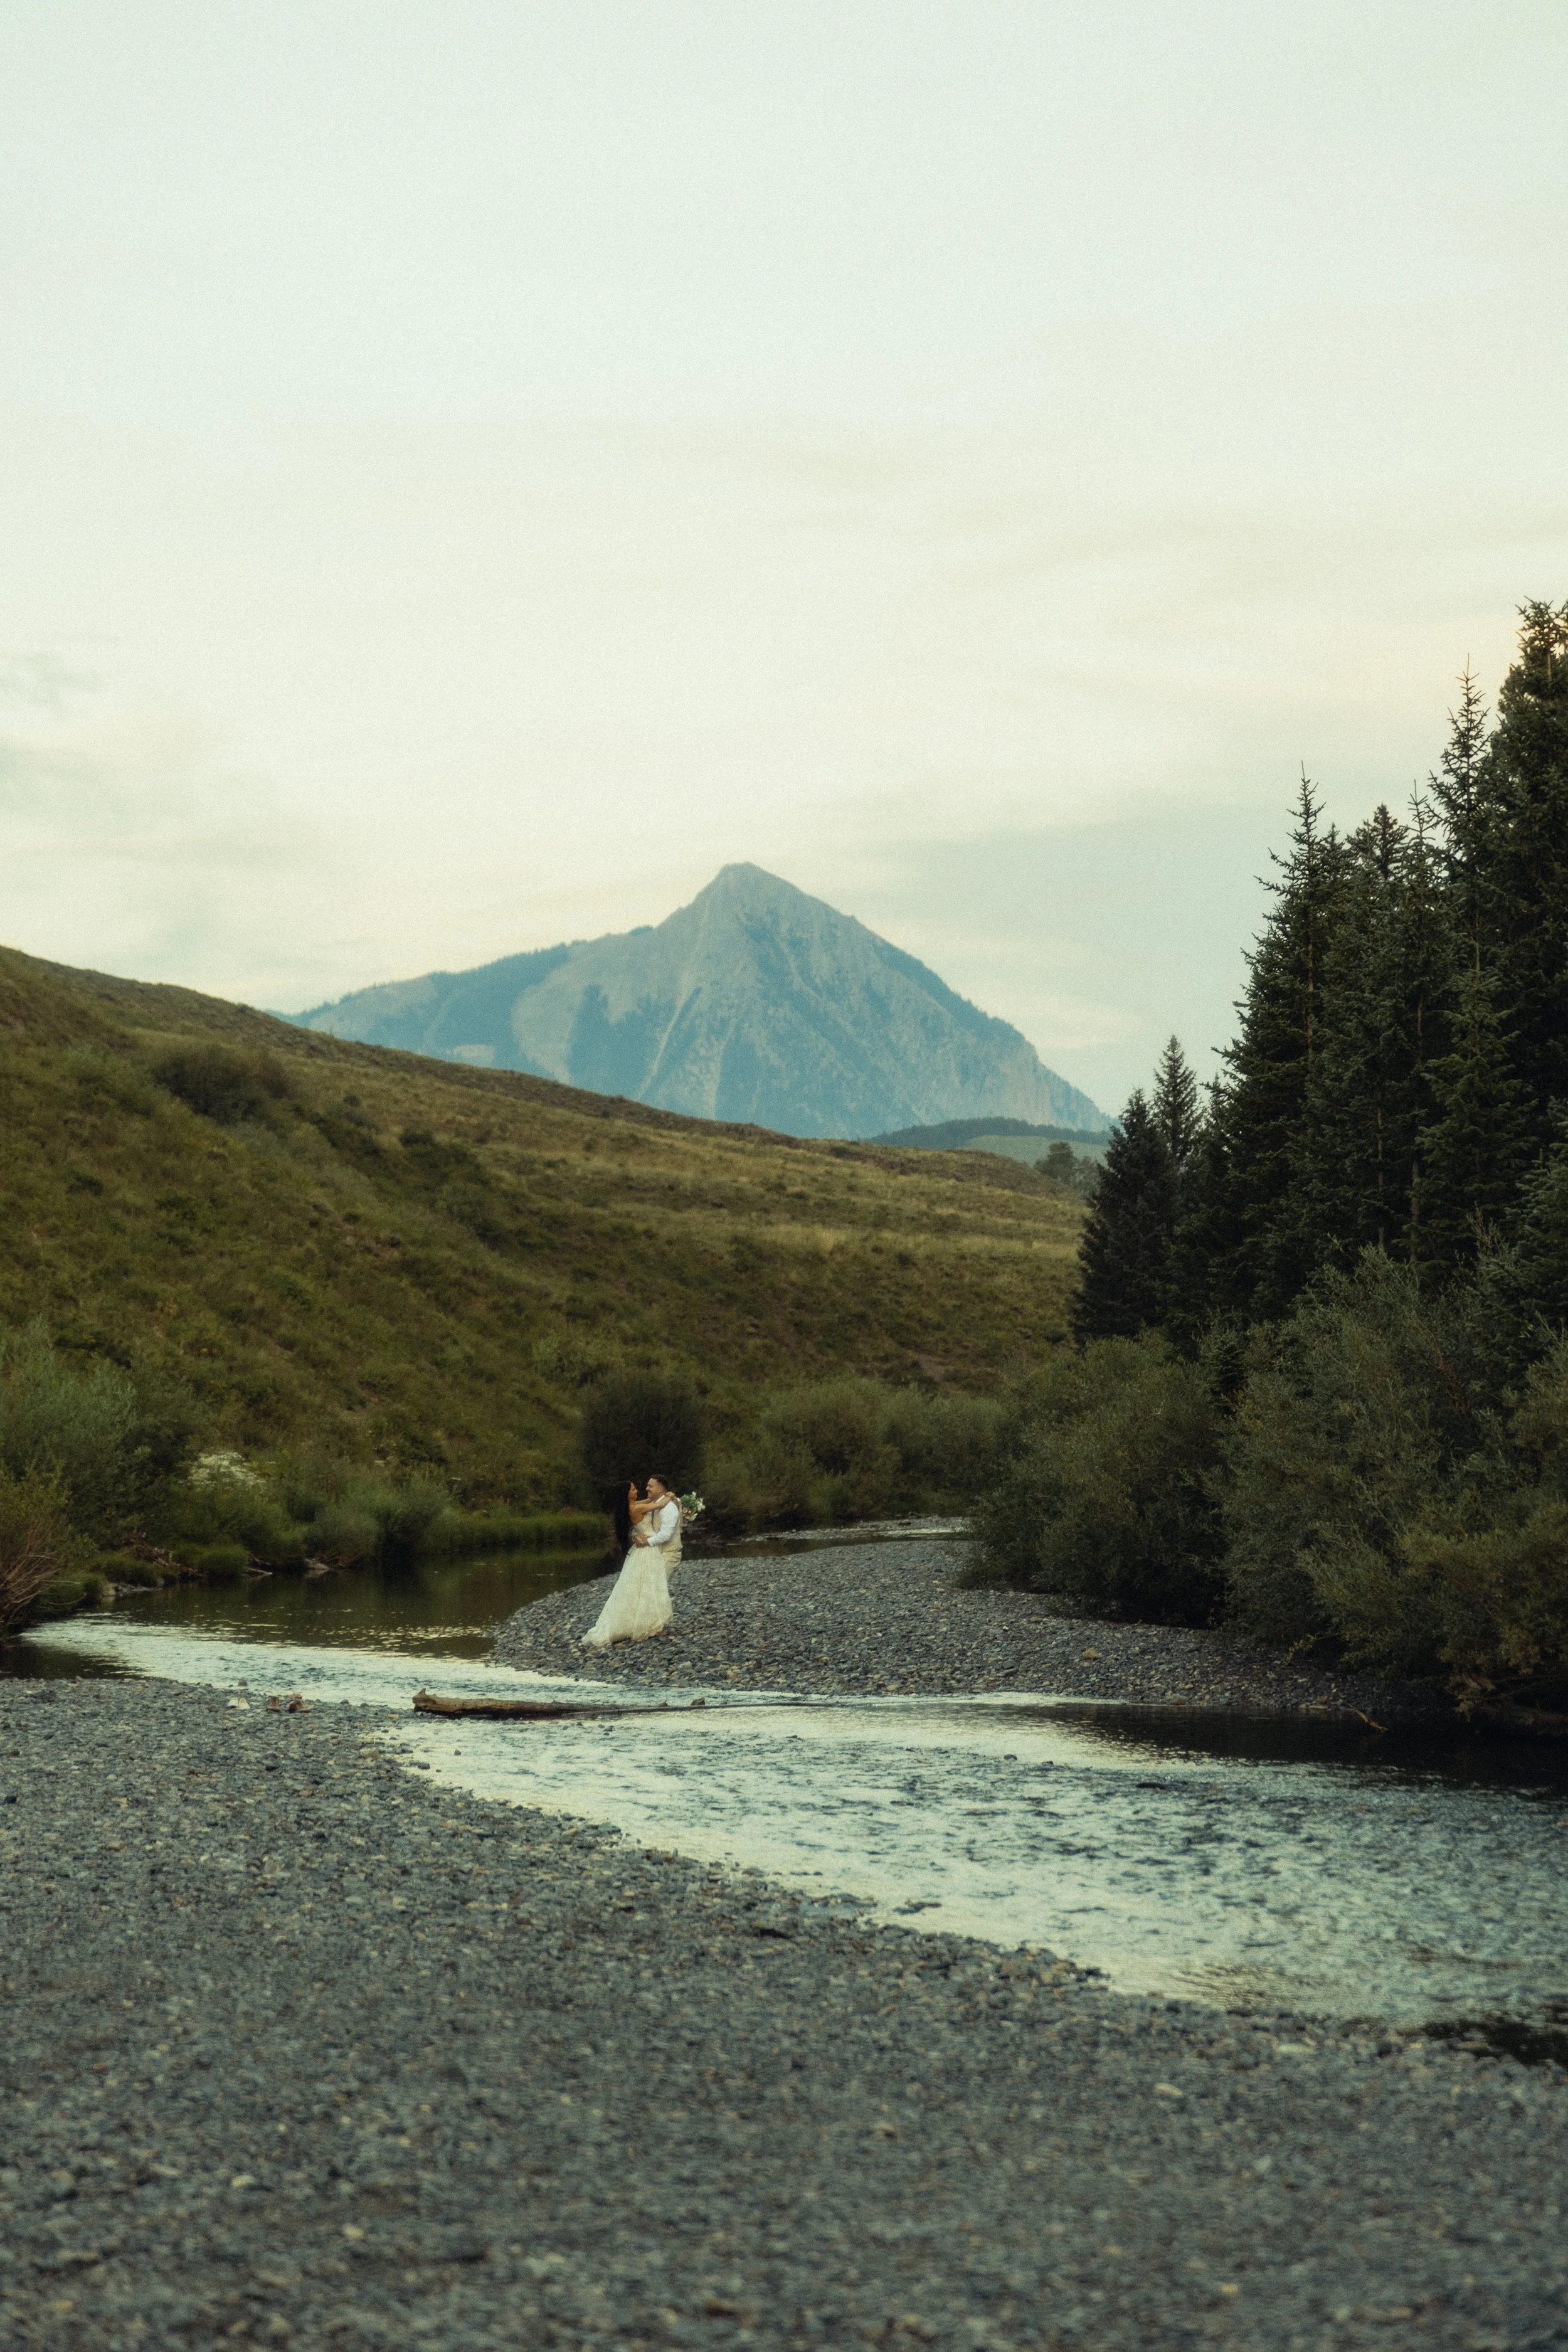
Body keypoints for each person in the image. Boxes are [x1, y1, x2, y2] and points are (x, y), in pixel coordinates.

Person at [581, 1475, 683, 1647]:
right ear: (627, 1494)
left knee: (643, 1587)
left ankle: (648, 1623)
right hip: (647, 1550)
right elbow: (658, 1504)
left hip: (647, 1549)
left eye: (649, 1486)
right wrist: (670, 1496)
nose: (639, 1490)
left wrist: (667, 1497)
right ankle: (649, 1625)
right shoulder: (637, 1508)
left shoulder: (633, 1506)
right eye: (634, 1489)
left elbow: (650, 1502)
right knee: (650, 1588)